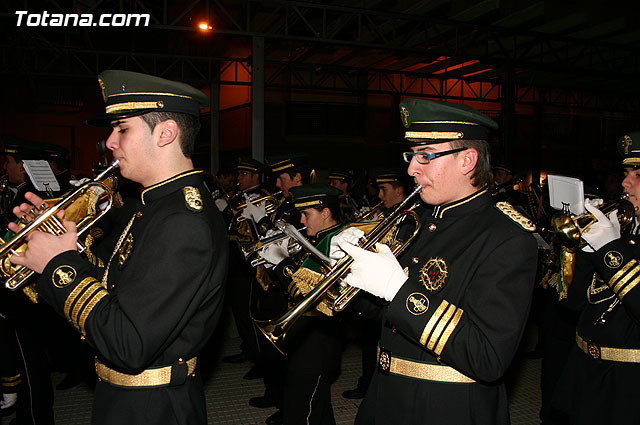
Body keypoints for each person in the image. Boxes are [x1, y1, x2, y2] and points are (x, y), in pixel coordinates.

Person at [8, 69, 228, 425]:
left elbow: (128, 343)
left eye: (122, 129)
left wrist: (59, 265)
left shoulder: (183, 220)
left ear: (166, 133)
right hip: (132, 398)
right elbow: (120, 291)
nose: (110, 141)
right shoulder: (155, 204)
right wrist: (60, 249)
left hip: (154, 408)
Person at [331, 98, 538, 425]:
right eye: (411, 156)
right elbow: (385, 315)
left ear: (468, 160)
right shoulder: (417, 221)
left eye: (425, 155)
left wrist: (397, 290)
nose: (412, 168)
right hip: (385, 397)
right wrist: (352, 275)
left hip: (446, 407)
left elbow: (488, 357)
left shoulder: (508, 239)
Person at [552, 131, 640, 425]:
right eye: (627, 172)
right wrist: (584, 251)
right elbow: (573, 302)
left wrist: (609, 250)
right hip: (586, 368)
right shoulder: (625, 233)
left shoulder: (617, 243)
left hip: (629, 383)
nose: (626, 183)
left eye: (638, 174)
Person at [257, 183, 346, 425]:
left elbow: (309, 291)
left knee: (303, 409)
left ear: (325, 212)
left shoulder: (339, 241)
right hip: (306, 334)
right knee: (314, 404)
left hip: (319, 337)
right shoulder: (318, 238)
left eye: (307, 214)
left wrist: (281, 265)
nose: (302, 220)